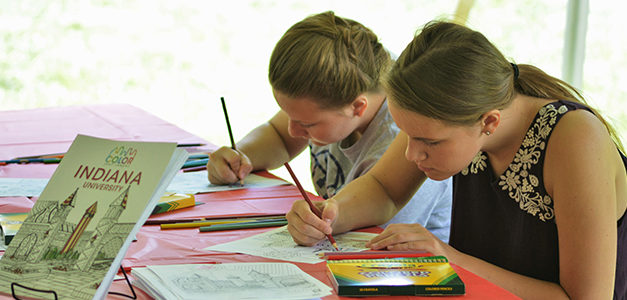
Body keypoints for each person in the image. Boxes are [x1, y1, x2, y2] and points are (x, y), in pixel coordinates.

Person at [286, 20, 627, 299]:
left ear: (488, 122)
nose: (411, 154)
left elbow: (585, 298)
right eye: (408, 134)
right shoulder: (448, 118)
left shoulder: (575, 140)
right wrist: (330, 214)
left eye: (428, 141)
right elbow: (385, 188)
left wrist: (449, 257)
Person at [206, 12, 452, 241]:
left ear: (357, 107)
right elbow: (279, 136)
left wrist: (321, 220)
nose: (293, 130)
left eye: (306, 124)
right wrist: (241, 156)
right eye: (289, 115)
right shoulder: (341, 88)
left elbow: (375, 224)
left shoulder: (409, 139)